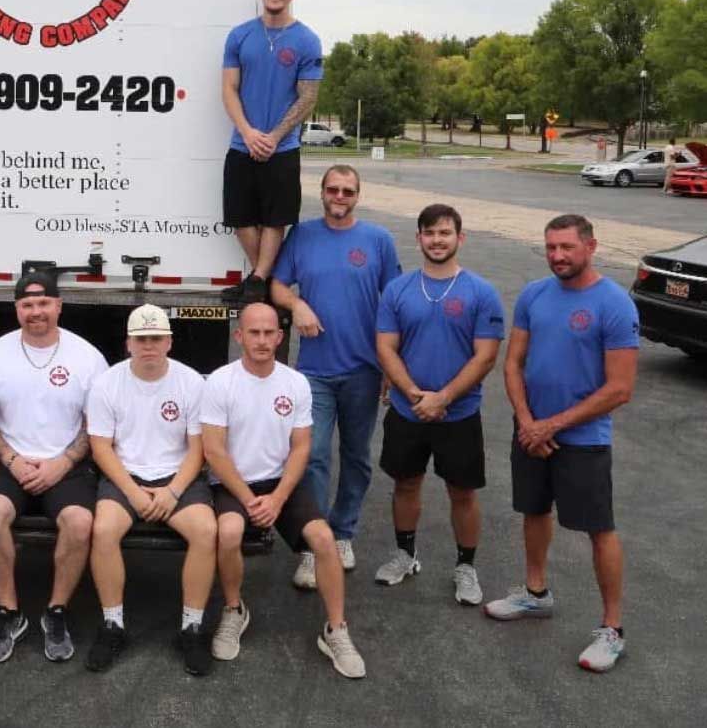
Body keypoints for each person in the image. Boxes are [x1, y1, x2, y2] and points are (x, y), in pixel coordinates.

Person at [484, 215, 639, 673]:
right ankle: (536, 594)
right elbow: (512, 365)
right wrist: (529, 423)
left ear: (591, 246)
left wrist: (550, 425)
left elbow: (620, 388)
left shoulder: (614, 304)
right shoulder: (534, 294)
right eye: (551, 247)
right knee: (533, 511)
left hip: (583, 438)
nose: (557, 256)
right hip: (532, 432)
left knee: (599, 528)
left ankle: (612, 629)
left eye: (567, 247)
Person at [202, 303, 366, 678]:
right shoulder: (219, 382)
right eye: (253, 333)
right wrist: (247, 499)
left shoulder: (295, 383)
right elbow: (213, 451)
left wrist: (277, 499)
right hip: (234, 482)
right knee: (227, 533)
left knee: (325, 539)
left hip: (281, 482)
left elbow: (301, 448)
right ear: (239, 335)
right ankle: (233, 610)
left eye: (269, 333)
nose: (262, 341)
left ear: (280, 336)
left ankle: (336, 629)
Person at [270, 165, 401, 588]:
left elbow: (394, 303)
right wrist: (296, 305)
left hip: (363, 368)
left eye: (347, 191)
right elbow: (276, 285)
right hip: (315, 373)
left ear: (357, 196)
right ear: (322, 192)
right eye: (332, 189)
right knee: (314, 454)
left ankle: (343, 533)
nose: (339, 196)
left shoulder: (378, 240)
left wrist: (391, 366)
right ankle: (314, 542)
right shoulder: (303, 235)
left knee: (358, 456)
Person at [374, 204, 503, 604]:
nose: (437, 240)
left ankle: (466, 566)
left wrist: (443, 398)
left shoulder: (481, 292)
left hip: (458, 413)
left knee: (462, 491)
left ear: (459, 238)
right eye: (429, 233)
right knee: (406, 482)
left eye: (445, 233)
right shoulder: (397, 290)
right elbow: (385, 346)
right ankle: (405, 554)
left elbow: (485, 356)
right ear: (419, 239)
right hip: (407, 408)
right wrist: (414, 394)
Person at [0, 272, 107, 663]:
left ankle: (56, 611)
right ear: (16, 309)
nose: (37, 312)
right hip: (8, 460)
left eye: (44, 303)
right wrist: (13, 461)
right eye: (28, 305)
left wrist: (62, 462)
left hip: (66, 462)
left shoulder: (87, 357)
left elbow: (95, 425)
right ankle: (9, 612)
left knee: (80, 523)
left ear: (59, 306)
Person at [84, 304, 218, 677]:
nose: (148, 346)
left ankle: (191, 628)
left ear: (169, 342)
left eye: (156, 338)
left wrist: (173, 492)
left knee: (207, 531)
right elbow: (101, 448)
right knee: (103, 530)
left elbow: (198, 449)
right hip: (125, 476)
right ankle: (113, 625)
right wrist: (135, 493)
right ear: (128, 342)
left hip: (176, 478)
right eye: (141, 339)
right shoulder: (107, 383)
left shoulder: (192, 382)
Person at [220, 0, 323, 304]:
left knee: (275, 219)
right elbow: (229, 89)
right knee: (240, 218)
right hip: (242, 143)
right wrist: (248, 133)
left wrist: (274, 136)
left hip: (282, 148)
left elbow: (308, 97)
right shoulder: (240, 35)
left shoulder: (307, 40)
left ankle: (258, 279)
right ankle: (264, 280)